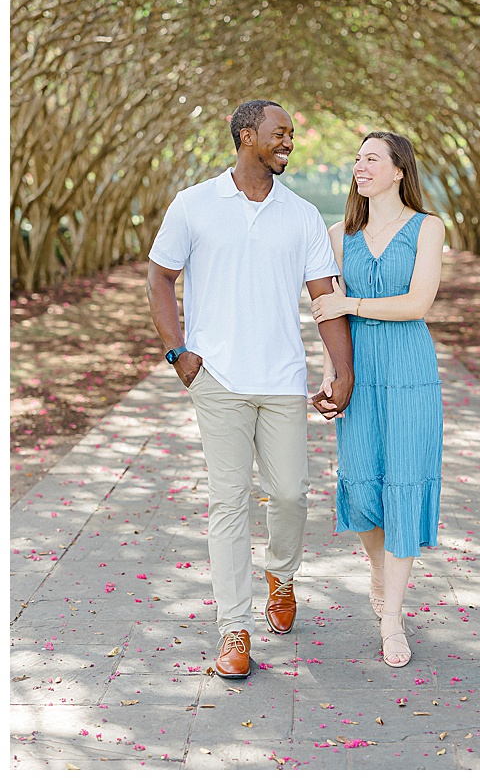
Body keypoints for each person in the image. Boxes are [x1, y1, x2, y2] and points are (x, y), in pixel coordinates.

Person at [147, 99, 354, 679]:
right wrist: (179, 353)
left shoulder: (302, 215)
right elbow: (160, 277)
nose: (288, 142)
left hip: (283, 380)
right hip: (218, 380)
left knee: (291, 495)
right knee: (228, 502)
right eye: (278, 133)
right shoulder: (194, 205)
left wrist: (342, 370)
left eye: (291, 133)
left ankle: (281, 577)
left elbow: (324, 297)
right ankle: (233, 629)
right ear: (245, 136)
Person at [309, 131, 445, 668]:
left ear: (397, 170)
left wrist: (352, 301)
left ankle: (392, 619)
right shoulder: (339, 235)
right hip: (360, 372)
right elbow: (330, 318)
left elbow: (417, 302)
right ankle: (378, 568)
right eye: (357, 159)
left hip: (410, 371)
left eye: (372, 159)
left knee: (404, 484)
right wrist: (331, 378)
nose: (360, 167)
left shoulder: (427, 228)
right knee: (363, 489)